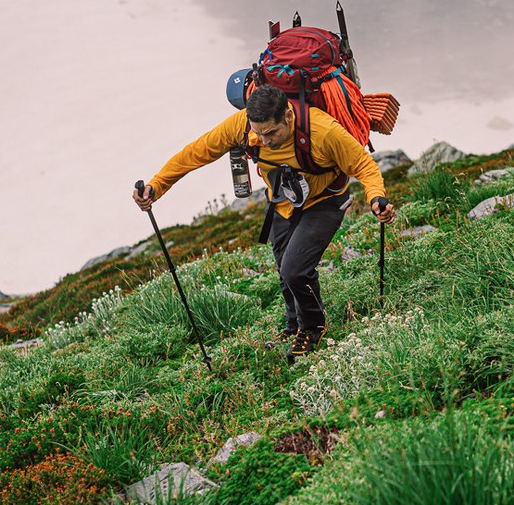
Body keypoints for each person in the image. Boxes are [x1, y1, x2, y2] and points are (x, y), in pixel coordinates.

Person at [135, 84, 392, 358]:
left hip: (325, 202)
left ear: (288, 117)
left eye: (271, 133)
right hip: (282, 202)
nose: (265, 141)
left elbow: (364, 166)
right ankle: (293, 324)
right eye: (258, 133)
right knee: (284, 267)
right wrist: (156, 186)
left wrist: (376, 197)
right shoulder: (243, 125)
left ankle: (313, 327)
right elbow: (196, 152)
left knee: (295, 269)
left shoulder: (323, 131)